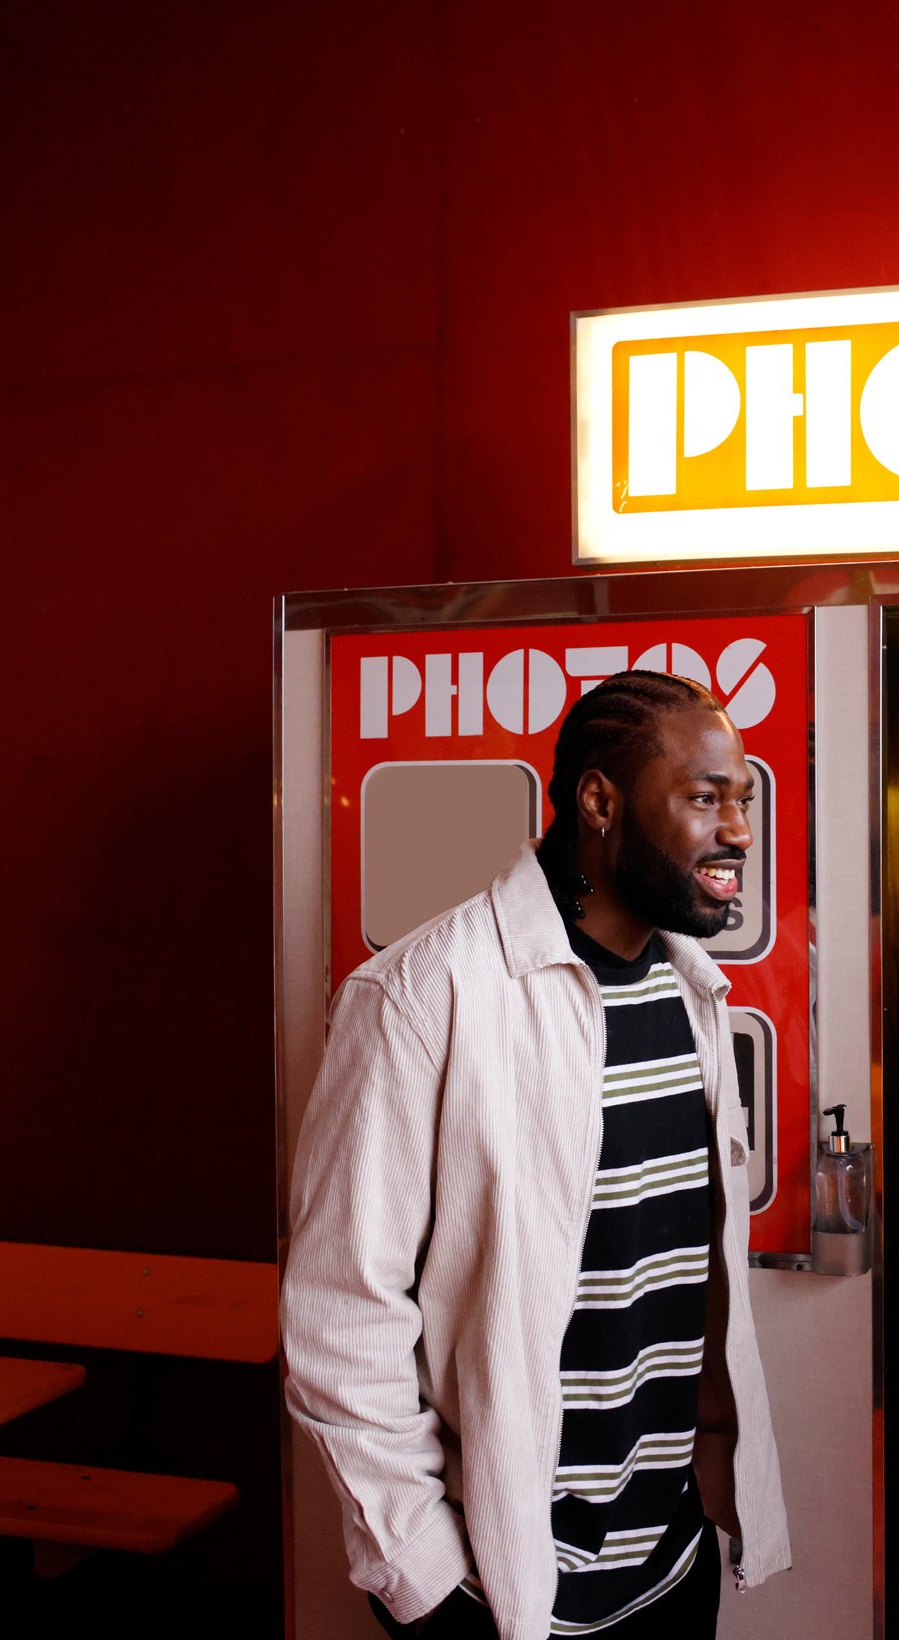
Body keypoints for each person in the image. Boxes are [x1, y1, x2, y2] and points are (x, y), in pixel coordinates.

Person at [283, 671, 789, 1640]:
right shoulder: (423, 994)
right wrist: (420, 1574)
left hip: (671, 1555)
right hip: (501, 1585)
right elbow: (339, 1311)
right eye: (703, 796)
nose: (738, 830)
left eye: (743, 798)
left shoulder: (692, 991)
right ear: (598, 800)